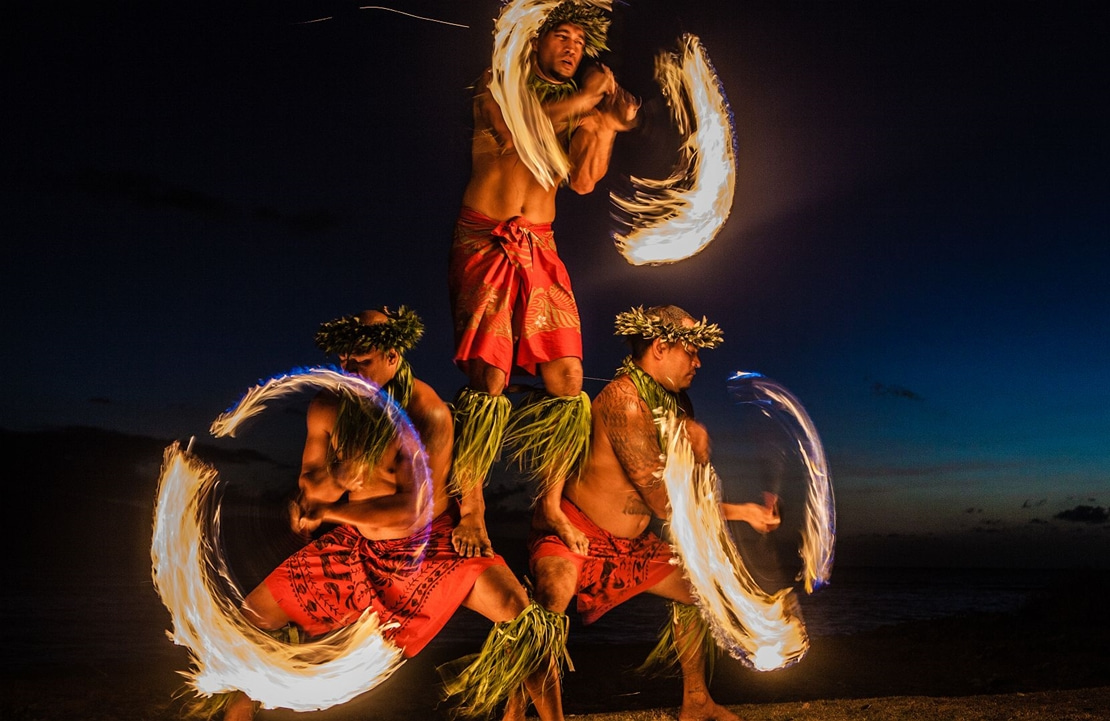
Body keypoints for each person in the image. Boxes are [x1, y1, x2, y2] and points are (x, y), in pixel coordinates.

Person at [220, 308, 564, 721]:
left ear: (392, 357)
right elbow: (311, 484)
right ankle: (235, 717)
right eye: (345, 361)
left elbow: (410, 515)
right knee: (250, 620)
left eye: (362, 361)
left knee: (522, 617)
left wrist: (329, 509)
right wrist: (341, 475)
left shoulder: (427, 411)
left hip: (432, 544)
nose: (350, 369)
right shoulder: (328, 406)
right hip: (359, 542)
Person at [448, 0, 640, 556]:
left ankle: (548, 505)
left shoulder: (575, 107)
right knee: (490, 378)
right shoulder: (500, 84)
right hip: (486, 241)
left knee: (568, 379)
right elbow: (521, 131)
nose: (573, 48)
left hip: (543, 248)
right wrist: (589, 98)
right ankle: (474, 508)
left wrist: (605, 125)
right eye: (562, 36)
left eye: (581, 41)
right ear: (534, 40)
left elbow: (581, 181)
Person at [528, 305, 782, 721]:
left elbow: (683, 487)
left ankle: (697, 701)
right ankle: (526, 713)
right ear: (661, 347)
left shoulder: (677, 404)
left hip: (630, 545)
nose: (699, 361)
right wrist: (743, 512)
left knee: (695, 591)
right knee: (550, 600)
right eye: (692, 351)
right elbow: (664, 503)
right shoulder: (625, 402)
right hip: (574, 532)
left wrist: (697, 453)